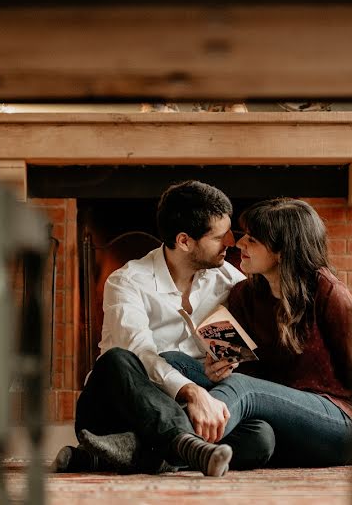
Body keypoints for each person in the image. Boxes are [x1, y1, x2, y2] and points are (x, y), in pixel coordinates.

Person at [162, 197, 352, 467]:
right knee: (174, 361)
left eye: (252, 240)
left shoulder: (328, 293)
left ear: (283, 251)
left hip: (338, 422)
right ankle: (187, 444)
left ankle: (170, 444)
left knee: (245, 390)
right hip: (279, 416)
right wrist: (219, 370)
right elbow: (251, 374)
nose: (239, 243)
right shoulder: (243, 295)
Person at [53, 180, 275, 476]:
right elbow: (141, 353)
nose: (231, 243)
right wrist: (193, 393)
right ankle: (184, 445)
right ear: (184, 241)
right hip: (119, 409)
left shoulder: (227, 279)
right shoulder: (127, 281)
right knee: (117, 359)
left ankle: (108, 456)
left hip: (193, 406)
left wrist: (222, 367)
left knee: (261, 437)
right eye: (220, 236)